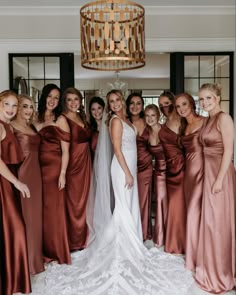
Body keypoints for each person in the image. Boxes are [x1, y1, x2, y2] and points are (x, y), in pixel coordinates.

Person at [31, 89, 193, 295]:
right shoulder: (115, 121)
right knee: (123, 206)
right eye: (111, 101)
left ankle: (131, 239)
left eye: (117, 100)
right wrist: (127, 173)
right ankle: (120, 246)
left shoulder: (128, 120)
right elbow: (117, 149)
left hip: (131, 168)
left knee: (129, 205)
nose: (115, 104)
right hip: (122, 169)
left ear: (122, 102)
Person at [195, 83, 236, 294]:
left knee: (218, 223)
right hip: (208, 174)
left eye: (209, 98)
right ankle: (210, 268)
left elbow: (229, 150)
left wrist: (219, 180)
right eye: (202, 99)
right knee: (210, 221)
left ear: (218, 98)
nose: (205, 102)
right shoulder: (208, 120)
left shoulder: (224, 118)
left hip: (220, 175)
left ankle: (222, 273)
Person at [34, 83, 71, 265]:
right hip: (36, 171)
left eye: (56, 98)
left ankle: (57, 250)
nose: (53, 100)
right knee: (41, 211)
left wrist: (63, 173)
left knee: (54, 211)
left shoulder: (60, 120)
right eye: (50, 96)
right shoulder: (35, 118)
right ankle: (43, 250)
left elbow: (66, 151)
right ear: (44, 97)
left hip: (55, 170)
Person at [0, 90, 31, 295]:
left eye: (14, 106)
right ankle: (12, 282)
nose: (11, 109)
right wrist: (17, 183)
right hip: (4, 183)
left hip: (8, 181)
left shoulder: (7, 125)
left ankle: (13, 281)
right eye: (7, 105)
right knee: (15, 228)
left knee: (11, 230)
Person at [11, 94, 44, 275]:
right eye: (25, 106)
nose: (29, 110)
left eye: (31, 107)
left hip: (36, 175)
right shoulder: (10, 126)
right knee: (25, 217)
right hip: (22, 175)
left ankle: (35, 260)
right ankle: (25, 263)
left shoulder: (31, 126)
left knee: (35, 218)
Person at [175, 93, 205, 271]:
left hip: (203, 173)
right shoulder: (183, 126)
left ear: (191, 104)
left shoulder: (205, 122)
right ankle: (193, 254)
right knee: (192, 212)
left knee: (196, 213)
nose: (181, 109)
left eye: (184, 104)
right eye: (178, 106)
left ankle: (197, 258)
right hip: (189, 175)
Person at [62, 87, 92, 251]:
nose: (73, 103)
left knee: (87, 200)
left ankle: (86, 237)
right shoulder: (63, 119)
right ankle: (74, 240)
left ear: (80, 101)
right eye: (69, 100)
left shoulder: (82, 116)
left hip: (86, 162)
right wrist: (63, 173)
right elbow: (65, 149)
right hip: (74, 164)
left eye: (76, 99)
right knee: (74, 202)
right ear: (65, 102)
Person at [158, 90, 186, 254]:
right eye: (161, 106)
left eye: (167, 104)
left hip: (182, 168)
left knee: (180, 205)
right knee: (173, 206)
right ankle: (175, 241)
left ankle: (180, 243)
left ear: (173, 103)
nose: (164, 108)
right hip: (169, 170)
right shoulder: (164, 122)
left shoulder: (183, 121)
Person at [126, 92, 153, 241]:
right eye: (132, 103)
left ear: (142, 106)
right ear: (128, 106)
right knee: (129, 199)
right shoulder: (124, 122)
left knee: (142, 199)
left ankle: (142, 233)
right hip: (129, 166)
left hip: (146, 166)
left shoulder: (147, 121)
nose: (135, 106)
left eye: (138, 103)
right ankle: (129, 232)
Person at [144, 104, 167, 248]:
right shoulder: (146, 134)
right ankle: (160, 236)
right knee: (159, 201)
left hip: (173, 170)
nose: (150, 118)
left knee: (171, 203)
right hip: (158, 171)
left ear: (158, 116)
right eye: (147, 115)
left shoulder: (166, 130)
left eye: (153, 115)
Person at [88, 96, 105, 162]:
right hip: (93, 165)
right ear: (90, 111)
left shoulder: (111, 127)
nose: (97, 112)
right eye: (93, 109)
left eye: (99, 108)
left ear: (103, 109)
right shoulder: (88, 129)